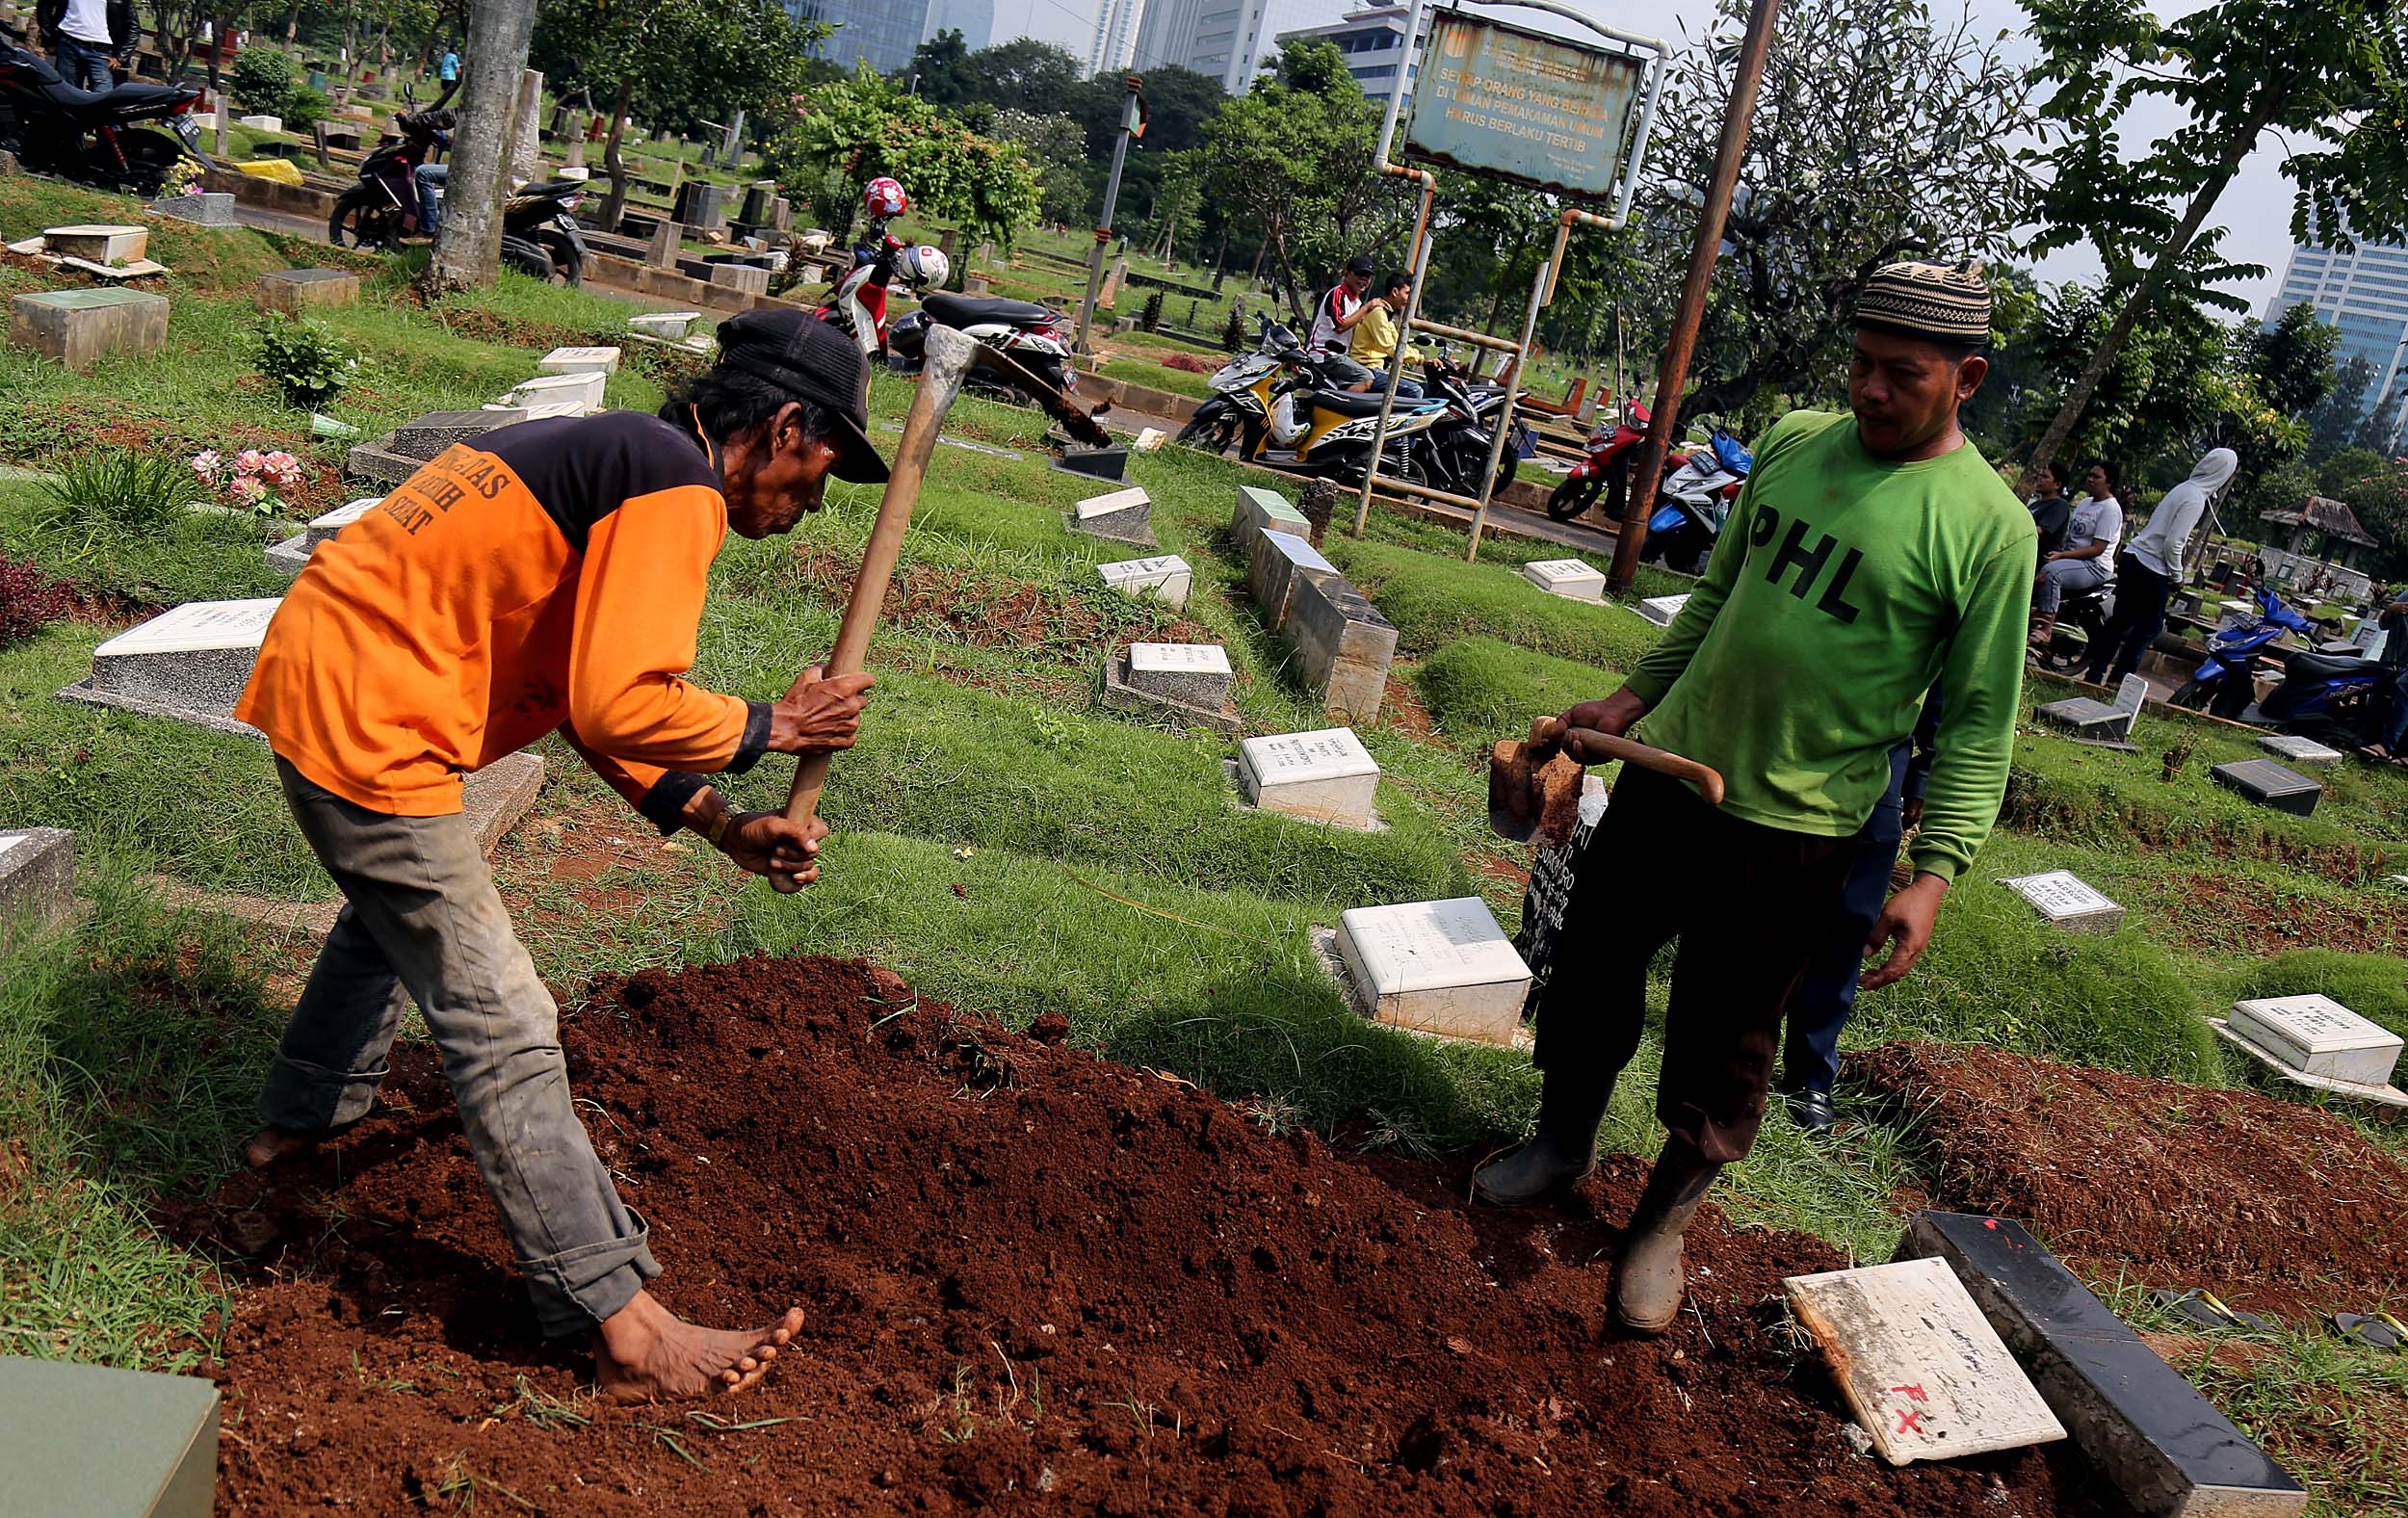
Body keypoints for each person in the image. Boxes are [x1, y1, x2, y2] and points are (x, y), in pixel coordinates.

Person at [231, 311, 888, 1400]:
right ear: (782, 426)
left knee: (394, 911)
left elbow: (587, 697)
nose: (814, 505)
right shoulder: (673, 483)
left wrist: (721, 820)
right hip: (373, 715)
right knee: (501, 1014)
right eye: (820, 473)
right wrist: (775, 724)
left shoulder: (625, 453)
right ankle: (619, 1318)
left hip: (335, 675)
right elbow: (620, 697)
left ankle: (295, 1127)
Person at [1469, 261, 2035, 1336]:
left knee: (1726, 1040)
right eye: (1860, 363)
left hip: (1799, 827)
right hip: (1672, 780)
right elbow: (1720, 593)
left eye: (1900, 374)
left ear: (1965, 377)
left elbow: (1975, 724)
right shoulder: (1791, 441)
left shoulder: (1990, 529)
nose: (1869, 389)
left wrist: (1936, 873)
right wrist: (1633, 700)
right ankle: (1559, 1143)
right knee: (1590, 964)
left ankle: (1659, 1225)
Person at [1779, 693, 1941, 1135]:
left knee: (1849, 927)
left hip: (1879, 766)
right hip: (1783, 745)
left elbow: (1948, 683)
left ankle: (1810, 1075)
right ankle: (1726, 1046)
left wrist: (1921, 777)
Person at [2084, 447, 2237, 688]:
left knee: (2120, 621)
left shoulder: (2183, 488)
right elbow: (2173, 542)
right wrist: (2177, 576)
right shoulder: (2195, 499)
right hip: (2152, 567)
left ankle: (2094, 673)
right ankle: (2119, 679)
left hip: (2134, 557)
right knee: (2148, 627)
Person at [2029, 459, 2123, 648]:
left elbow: (2098, 548)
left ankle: (2044, 626)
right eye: (2089, 475)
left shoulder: (2111, 509)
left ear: (2109, 482)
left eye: (2096, 476)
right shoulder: (2085, 503)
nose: (2090, 479)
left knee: (2051, 572)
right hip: (2072, 558)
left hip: (2094, 565)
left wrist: (2062, 556)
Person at [1308, 253, 1378, 390]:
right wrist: (1366, 308)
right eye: (1360, 274)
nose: (1364, 279)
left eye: (1368, 277)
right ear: (1347, 274)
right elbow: (1340, 326)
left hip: (1342, 356)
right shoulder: (1338, 294)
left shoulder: (1357, 303)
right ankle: (1339, 405)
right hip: (1324, 354)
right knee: (1366, 378)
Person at [1348, 271, 1421, 398]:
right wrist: (1421, 360)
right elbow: (1389, 347)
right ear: (1395, 292)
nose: (1409, 299)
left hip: (1376, 368)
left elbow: (1398, 343)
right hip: (1367, 367)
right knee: (1415, 391)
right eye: (1407, 293)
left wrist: (1420, 356)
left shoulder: (1386, 314)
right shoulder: (1378, 313)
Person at [35, 0, 136, 90]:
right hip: (68, 44)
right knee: (67, 94)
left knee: (103, 97)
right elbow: (44, 7)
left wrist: (120, 58)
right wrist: (50, 40)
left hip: (101, 52)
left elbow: (133, 27)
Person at [2025, 460, 2073, 559]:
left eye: (2045, 477)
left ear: (2057, 485)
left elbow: (2039, 531)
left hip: (2041, 559)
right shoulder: (2035, 504)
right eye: (2040, 476)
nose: (2040, 479)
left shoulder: (2060, 505)